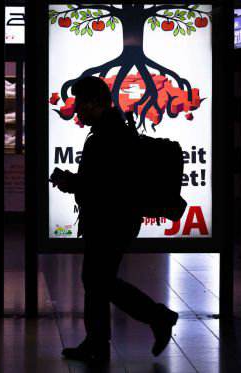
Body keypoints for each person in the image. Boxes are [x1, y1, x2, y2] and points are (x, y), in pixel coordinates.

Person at [50, 76, 178, 362]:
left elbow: (101, 185)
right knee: (97, 280)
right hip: (114, 218)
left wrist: (67, 180)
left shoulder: (107, 135)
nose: (76, 109)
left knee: (99, 281)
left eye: (79, 103)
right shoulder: (112, 129)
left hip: (111, 220)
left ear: (94, 104)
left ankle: (157, 317)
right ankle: (99, 340)